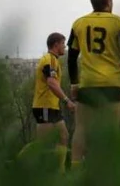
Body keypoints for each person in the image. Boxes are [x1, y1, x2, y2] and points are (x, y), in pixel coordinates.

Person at [67, 0, 120, 168]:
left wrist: (74, 83)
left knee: (81, 128)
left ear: (92, 2)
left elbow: (72, 56)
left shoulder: (78, 23)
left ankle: (75, 169)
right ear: (109, 2)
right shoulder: (118, 22)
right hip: (112, 85)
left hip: (88, 83)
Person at [26, 32, 75, 172]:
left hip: (52, 107)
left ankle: (60, 172)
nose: (64, 47)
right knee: (42, 144)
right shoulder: (49, 59)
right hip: (44, 107)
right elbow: (52, 83)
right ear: (56, 45)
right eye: (63, 44)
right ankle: (23, 165)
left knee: (64, 136)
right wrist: (67, 100)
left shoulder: (54, 60)